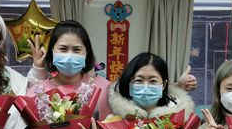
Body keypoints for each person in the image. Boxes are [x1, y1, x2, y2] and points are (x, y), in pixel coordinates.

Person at [26, 33, 198, 97]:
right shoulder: (38, 90)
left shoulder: (103, 88)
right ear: (52, 52)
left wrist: (177, 87)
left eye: (77, 49)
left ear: (87, 54)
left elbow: (134, 94)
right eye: (63, 49)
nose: (69, 56)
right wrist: (38, 68)